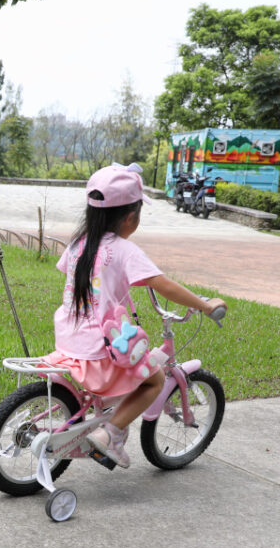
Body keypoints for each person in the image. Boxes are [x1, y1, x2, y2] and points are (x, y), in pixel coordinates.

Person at [44, 164, 225, 469]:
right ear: (130, 217)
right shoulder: (125, 250)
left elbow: (90, 275)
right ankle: (111, 434)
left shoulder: (78, 244)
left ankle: (103, 414)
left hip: (67, 342)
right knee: (152, 380)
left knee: (123, 370)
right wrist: (205, 305)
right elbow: (162, 284)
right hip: (97, 352)